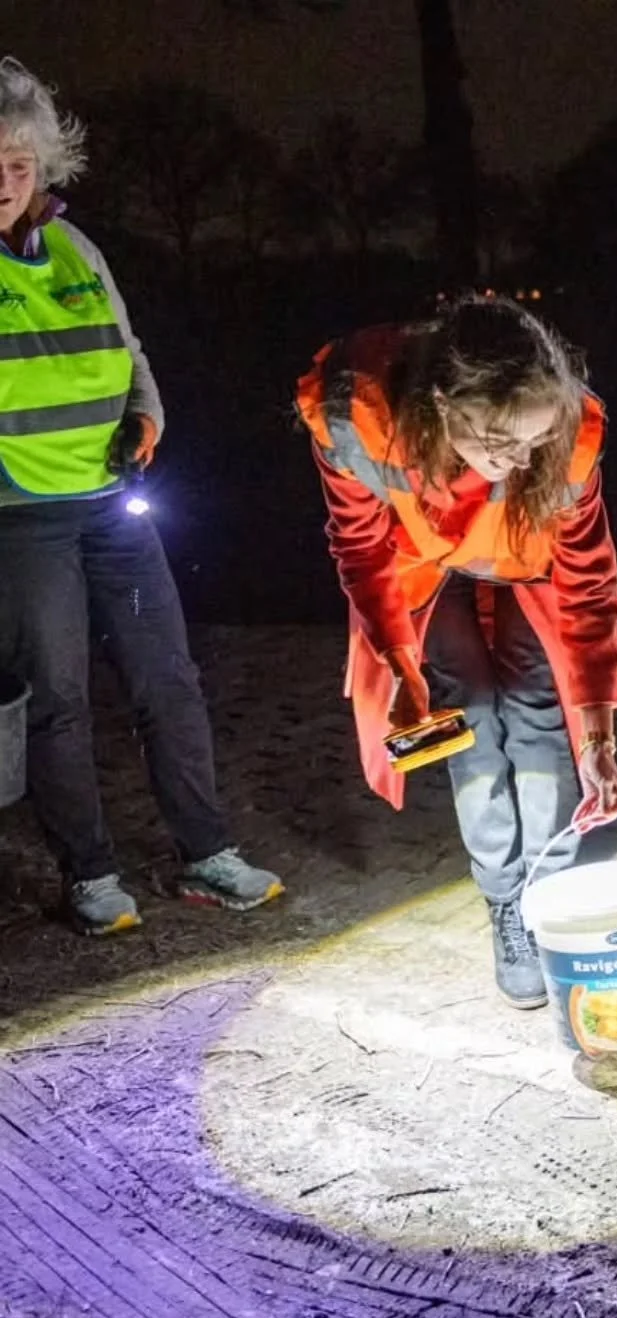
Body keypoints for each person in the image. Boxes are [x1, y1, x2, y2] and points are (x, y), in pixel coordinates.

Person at [0, 57, 282, 935]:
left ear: (40, 166)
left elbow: (132, 350)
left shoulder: (78, 248)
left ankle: (206, 854)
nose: (2, 183)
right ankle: (89, 872)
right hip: (23, 519)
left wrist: (146, 412)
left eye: (15, 164)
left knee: (167, 678)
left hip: (110, 508)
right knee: (59, 696)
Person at [297, 296, 617, 1008]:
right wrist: (397, 659)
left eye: (534, 444)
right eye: (499, 444)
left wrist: (598, 729)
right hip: (425, 565)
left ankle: (551, 894)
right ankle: (505, 903)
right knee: (468, 716)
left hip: (525, 561)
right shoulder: (359, 419)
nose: (518, 462)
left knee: (543, 714)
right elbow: (358, 547)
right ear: (443, 404)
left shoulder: (562, 435)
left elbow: (590, 581)